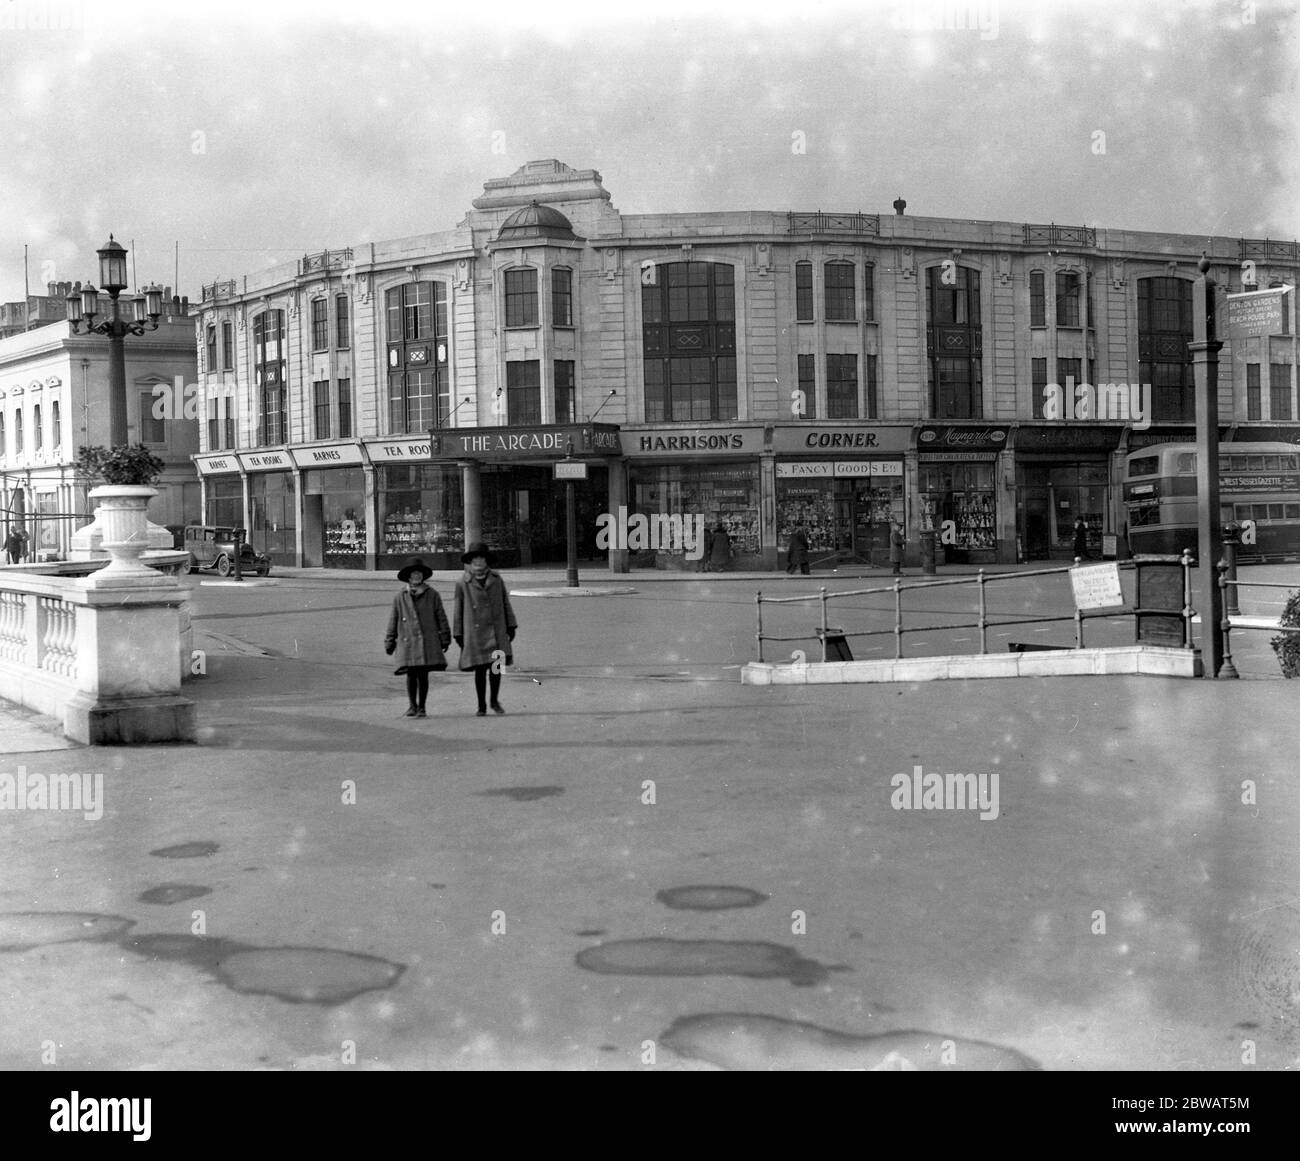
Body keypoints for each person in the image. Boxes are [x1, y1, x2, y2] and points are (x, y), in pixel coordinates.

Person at [454, 542, 518, 716]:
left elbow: (505, 603)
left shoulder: (496, 580)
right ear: (471, 561)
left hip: (496, 631)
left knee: (496, 669)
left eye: (482, 558)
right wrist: (458, 633)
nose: (479, 561)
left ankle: (494, 701)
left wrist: (511, 624)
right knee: (480, 670)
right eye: (476, 558)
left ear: (487, 560)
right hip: (475, 634)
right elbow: (458, 610)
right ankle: (481, 705)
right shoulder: (462, 582)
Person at [384, 557, 451, 719]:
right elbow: (393, 619)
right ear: (408, 576)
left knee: (423, 675)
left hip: (426, 640)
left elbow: (441, 616)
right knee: (411, 674)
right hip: (408, 641)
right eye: (413, 574)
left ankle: (422, 707)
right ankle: (412, 705)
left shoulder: (432, 594)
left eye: (419, 574)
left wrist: (445, 637)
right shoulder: (400, 596)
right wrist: (390, 640)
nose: (416, 577)